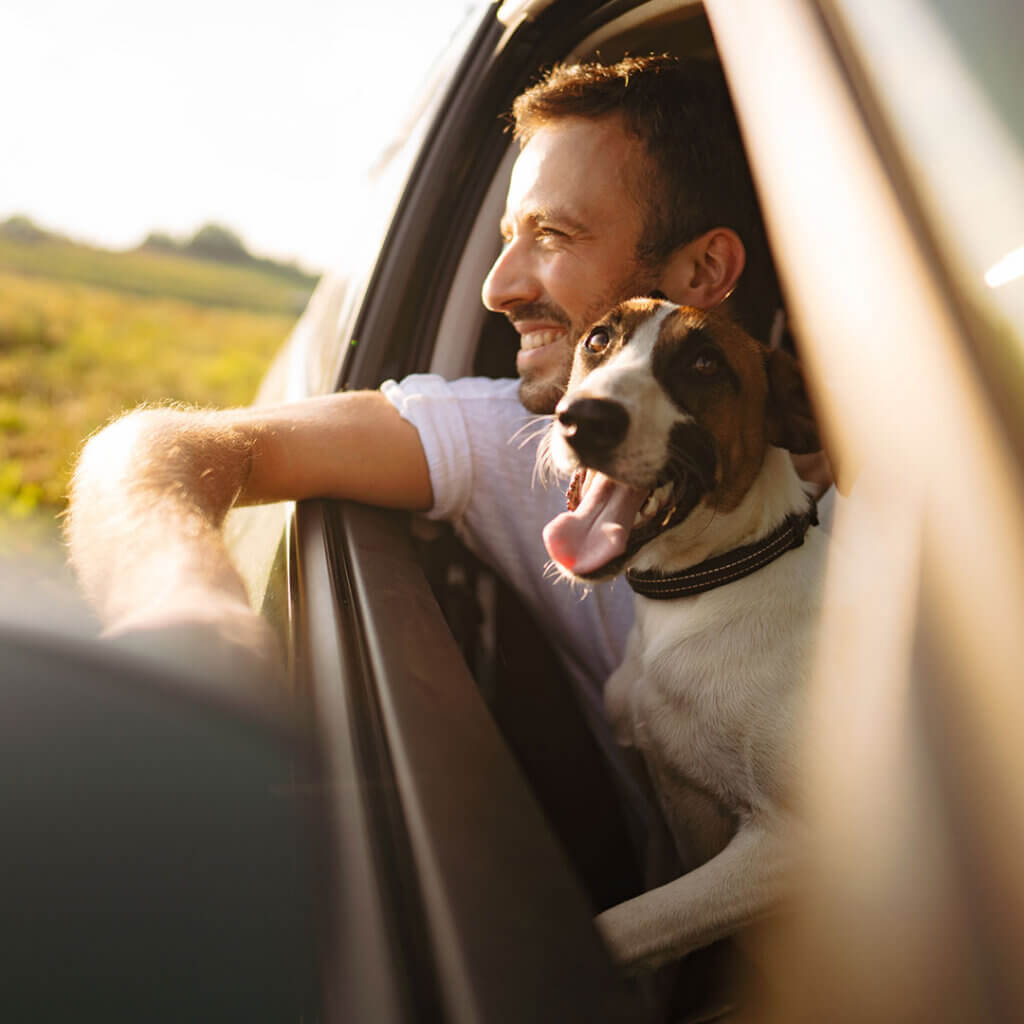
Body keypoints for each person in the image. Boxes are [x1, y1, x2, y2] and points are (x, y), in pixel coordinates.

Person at [67, 55, 800, 758]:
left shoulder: (862, 470)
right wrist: (187, 609)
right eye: (510, 236)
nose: (497, 288)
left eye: (553, 235)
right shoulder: (515, 435)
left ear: (705, 269)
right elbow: (149, 449)